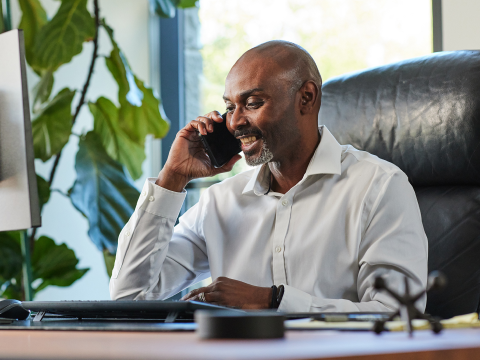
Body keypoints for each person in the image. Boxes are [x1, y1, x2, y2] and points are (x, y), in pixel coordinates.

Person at [109, 40, 428, 312]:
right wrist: (173, 177)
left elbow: (397, 315)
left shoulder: (379, 186)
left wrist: (273, 301)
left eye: (252, 103)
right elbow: (129, 297)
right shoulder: (221, 202)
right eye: (229, 107)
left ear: (306, 98)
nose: (234, 122)